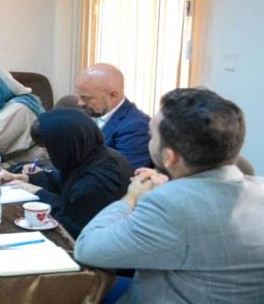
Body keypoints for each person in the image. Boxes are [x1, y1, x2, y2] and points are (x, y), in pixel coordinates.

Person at [75, 88, 264, 303]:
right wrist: (174, 183)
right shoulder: (259, 188)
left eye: (151, 135)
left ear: (169, 157)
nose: (149, 140)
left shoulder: (168, 204)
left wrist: (131, 198)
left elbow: (87, 248)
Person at [0, 108, 132, 238]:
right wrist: (26, 178)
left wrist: (39, 192)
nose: (43, 152)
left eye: (47, 147)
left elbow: (68, 221)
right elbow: (66, 180)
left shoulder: (94, 183)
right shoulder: (96, 155)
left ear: (64, 145)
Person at [75, 63, 151, 170]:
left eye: (87, 98)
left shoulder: (136, 126)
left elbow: (123, 174)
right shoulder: (90, 114)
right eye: (79, 96)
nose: (80, 103)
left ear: (113, 96)